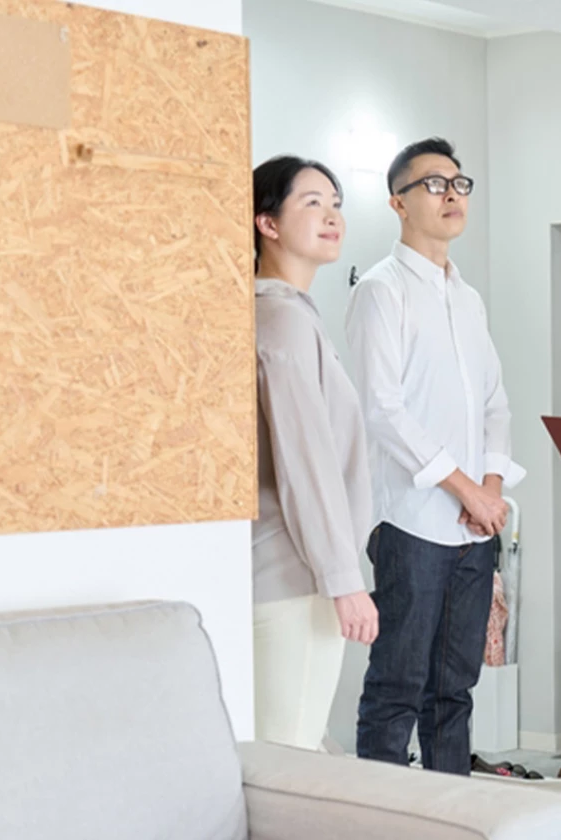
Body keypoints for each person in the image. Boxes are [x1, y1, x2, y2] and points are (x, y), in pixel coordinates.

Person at [348, 137, 521, 775]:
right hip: (411, 520)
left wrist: (490, 490)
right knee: (398, 683)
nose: (452, 195)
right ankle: (384, 821)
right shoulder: (381, 290)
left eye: (459, 183)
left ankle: (452, 815)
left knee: (455, 690)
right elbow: (383, 410)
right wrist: (465, 489)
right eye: (434, 184)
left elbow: (495, 403)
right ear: (398, 202)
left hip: (475, 527)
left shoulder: (467, 298)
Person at [250, 155, 376, 750]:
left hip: (288, 573)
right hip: (296, 577)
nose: (332, 217)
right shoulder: (282, 320)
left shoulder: (284, 314)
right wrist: (343, 580)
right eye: (312, 203)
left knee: (284, 752)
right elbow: (306, 467)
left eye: (336, 204)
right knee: (290, 760)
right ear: (267, 223)